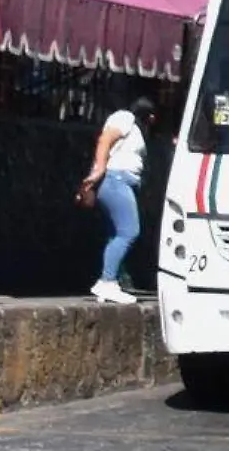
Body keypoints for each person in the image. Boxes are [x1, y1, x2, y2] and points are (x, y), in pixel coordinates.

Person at [81, 97, 157, 305]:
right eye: (150, 116)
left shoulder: (136, 128)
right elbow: (105, 139)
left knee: (116, 233)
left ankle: (110, 282)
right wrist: (98, 169)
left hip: (121, 182)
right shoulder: (125, 117)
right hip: (116, 180)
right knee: (129, 231)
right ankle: (107, 281)